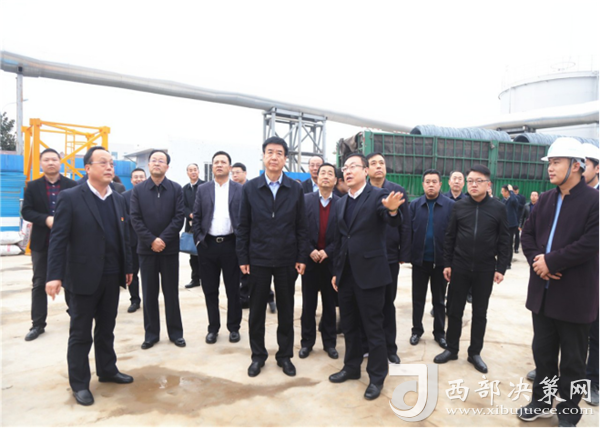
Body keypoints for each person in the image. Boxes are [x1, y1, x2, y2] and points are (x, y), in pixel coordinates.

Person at [517, 137, 599, 426]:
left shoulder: (594, 201)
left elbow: (591, 242)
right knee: (543, 355)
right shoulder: (546, 199)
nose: (550, 168)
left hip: (574, 295)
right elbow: (527, 235)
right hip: (543, 293)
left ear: (576, 165)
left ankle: (569, 410)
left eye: (556, 162)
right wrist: (538, 262)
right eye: (549, 163)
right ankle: (541, 402)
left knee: (574, 361)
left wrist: (552, 261)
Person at [46, 146, 133, 406]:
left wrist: (128, 267)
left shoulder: (118, 198)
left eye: (111, 163)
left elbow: (124, 237)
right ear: (88, 168)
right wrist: (54, 275)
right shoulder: (71, 197)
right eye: (103, 163)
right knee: (81, 333)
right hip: (82, 276)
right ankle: (80, 383)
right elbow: (58, 239)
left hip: (111, 275)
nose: (109, 167)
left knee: (106, 329)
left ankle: (107, 370)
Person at [329, 152, 404, 401]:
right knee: (349, 325)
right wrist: (336, 272)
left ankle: (377, 376)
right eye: (345, 168)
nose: (348, 171)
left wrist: (392, 211)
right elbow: (340, 240)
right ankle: (351, 367)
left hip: (371, 275)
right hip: (347, 275)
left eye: (353, 166)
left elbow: (391, 218)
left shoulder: (378, 196)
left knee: (373, 327)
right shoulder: (341, 202)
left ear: (365, 171)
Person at [237, 136, 308, 378]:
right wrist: (243, 258)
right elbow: (243, 225)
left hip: (287, 259)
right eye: (270, 152)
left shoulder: (295, 189)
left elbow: (302, 226)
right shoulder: (251, 188)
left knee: (286, 311)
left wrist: (301, 257)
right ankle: (258, 356)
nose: (274, 157)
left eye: (279, 153)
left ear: (285, 158)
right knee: (256, 311)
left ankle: (284, 356)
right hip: (258, 259)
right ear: (264, 156)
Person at [434, 164, 510, 374]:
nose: (473, 185)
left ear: (488, 184)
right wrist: (447, 263)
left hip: (485, 268)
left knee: (480, 312)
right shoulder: (459, 206)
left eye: (479, 181)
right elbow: (450, 236)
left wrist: (501, 267)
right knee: (454, 310)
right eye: (470, 181)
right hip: (460, 266)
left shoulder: (498, 208)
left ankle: (474, 352)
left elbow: (505, 239)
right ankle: (452, 349)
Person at [131, 150, 186, 350]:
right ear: (148, 165)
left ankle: (176, 333)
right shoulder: (138, 190)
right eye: (153, 160)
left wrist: (162, 240)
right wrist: (151, 240)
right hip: (146, 251)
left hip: (169, 250)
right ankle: (151, 334)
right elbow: (135, 219)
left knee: (171, 293)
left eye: (161, 161)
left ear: (167, 166)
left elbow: (179, 218)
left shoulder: (176, 189)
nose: (157, 163)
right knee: (149, 294)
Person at [21, 148, 77, 341]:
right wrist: (46, 219)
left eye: (54, 159)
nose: (51, 162)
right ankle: (38, 324)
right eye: (47, 160)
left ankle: (76, 316)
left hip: (69, 242)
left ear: (60, 162)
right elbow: (26, 211)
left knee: (71, 281)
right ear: (41, 163)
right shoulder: (32, 186)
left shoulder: (72, 185)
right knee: (39, 283)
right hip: (42, 243)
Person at [192, 151, 243, 344]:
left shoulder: (239, 189)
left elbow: (245, 217)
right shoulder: (203, 189)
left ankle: (234, 327)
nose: (219, 165)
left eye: (223, 162)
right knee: (210, 290)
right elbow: (197, 216)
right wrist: (199, 240)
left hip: (231, 245)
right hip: (208, 246)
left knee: (233, 290)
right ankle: (213, 328)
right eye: (216, 162)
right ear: (212, 167)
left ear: (230, 167)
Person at [366, 152, 411, 363]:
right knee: (367, 303)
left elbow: (406, 224)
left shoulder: (397, 191)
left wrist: (404, 252)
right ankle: (367, 345)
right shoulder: (361, 191)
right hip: (366, 256)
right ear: (366, 169)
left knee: (387, 303)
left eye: (381, 163)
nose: (378, 166)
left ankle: (390, 347)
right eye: (373, 163)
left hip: (390, 256)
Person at [409, 169, 454, 349]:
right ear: (423, 184)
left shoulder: (450, 206)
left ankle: (440, 333)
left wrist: (450, 261)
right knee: (417, 299)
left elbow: (454, 234)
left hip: (441, 263)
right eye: (427, 182)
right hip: (420, 262)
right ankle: (416, 330)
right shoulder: (415, 205)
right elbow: (408, 231)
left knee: (439, 301)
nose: (431, 185)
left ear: (440, 184)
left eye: (434, 182)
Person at [299, 162, 339, 360]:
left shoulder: (341, 203)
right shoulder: (305, 200)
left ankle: (329, 343)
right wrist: (310, 250)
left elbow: (343, 235)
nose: (325, 176)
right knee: (309, 305)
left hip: (330, 263)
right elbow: (299, 229)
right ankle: (307, 343)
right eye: (322, 172)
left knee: (329, 305)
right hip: (310, 261)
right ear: (316, 177)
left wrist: (327, 252)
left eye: (330, 173)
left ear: (335, 180)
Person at [231, 162, 276, 312]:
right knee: (243, 273)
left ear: (245, 173)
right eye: (233, 173)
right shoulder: (232, 189)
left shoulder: (254, 188)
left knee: (259, 274)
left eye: (237, 172)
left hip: (256, 239)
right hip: (238, 236)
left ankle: (269, 298)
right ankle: (244, 298)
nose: (235, 175)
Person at [582, 143, 600, 407]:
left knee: (595, 331)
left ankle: (592, 380)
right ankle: (550, 372)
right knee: (560, 327)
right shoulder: (564, 196)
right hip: (569, 274)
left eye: (583, 165)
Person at [122, 168, 146, 313]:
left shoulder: (152, 195)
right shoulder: (124, 197)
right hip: (132, 241)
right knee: (132, 273)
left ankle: (150, 299)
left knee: (149, 274)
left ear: (145, 179)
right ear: (131, 180)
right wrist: (137, 219)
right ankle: (135, 300)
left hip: (148, 241)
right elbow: (123, 217)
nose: (138, 179)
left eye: (141, 177)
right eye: (135, 177)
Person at [182, 163, 204, 289]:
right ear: (187, 173)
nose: (193, 172)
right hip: (191, 225)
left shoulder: (205, 186)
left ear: (199, 171)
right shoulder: (184, 189)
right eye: (190, 170)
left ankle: (205, 278)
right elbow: (182, 205)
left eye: (195, 169)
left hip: (204, 224)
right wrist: (189, 214)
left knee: (204, 253)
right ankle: (195, 279)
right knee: (193, 253)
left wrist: (199, 214)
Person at [501, 184, 519, 269]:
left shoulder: (512, 200)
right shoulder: (503, 200)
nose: (502, 193)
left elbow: (514, 200)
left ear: (507, 192)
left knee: (509, 244)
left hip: (511, 226)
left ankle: (508, 263)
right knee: (502, 244)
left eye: (503, 191)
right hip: (503, 225)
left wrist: (511, 191)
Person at [512, 185, 526, 254]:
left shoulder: (522, 197)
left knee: (517, 234)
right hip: (511, 218)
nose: (515, 192)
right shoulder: (510, 197)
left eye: (516, 190)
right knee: (510, 235)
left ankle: (516, 248)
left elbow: (523, 206)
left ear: (518, 190)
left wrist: (517, 203)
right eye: (514, 190)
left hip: (518, 217)